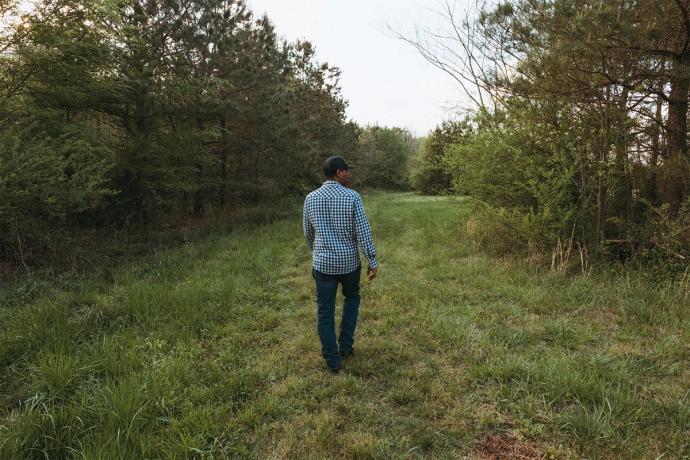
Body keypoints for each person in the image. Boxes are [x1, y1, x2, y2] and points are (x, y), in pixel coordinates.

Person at [303, 155, 378, 373]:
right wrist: (371, 260)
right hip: (349, 264)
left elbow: (308, 233)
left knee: (324, 310)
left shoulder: (311, 198)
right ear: (338, 173)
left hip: (323, 265)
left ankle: (332, 361)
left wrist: (318, 251)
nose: (349, 174)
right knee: (352, 299)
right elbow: (363, 232)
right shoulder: (352, 197)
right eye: (347, 170)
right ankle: (345, 347)